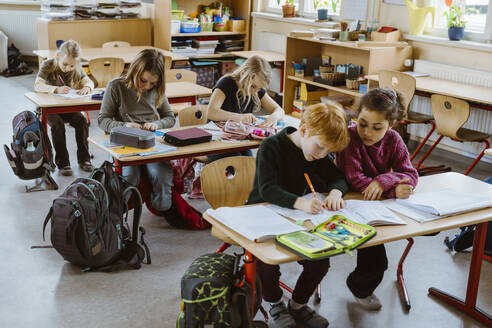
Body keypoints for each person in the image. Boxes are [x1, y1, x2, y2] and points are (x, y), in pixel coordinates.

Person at [247, 103, 350, 328]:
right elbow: (267, 189)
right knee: (267, 262)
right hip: (261, 215)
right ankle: (274, 303)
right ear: (303, 130)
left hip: (294, 220)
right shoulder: (271, 146)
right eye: (320, 147)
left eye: (328, 152)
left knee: (320, 261)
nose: (323, 155)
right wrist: (301, 203)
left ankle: (298, 306)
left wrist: (335, 191)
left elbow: (338, 178)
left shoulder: (316, 152)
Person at [336, 88, 419, 311]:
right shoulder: (350, 137)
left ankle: (359, 287)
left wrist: (384, 180)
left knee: (378, 262)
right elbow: (355, 180)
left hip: (375, 205)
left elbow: (410, 174)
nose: (367, 132)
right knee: (377, 262)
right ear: (356, 118)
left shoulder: (394, 139)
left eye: (377, 127)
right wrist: (392, 191)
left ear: (391, 125)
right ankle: (358, 287)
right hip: (345, 203)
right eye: (362, 123)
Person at [98, 48, 176, 215]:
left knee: (161, 173)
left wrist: (156, 124)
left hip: (151, 144)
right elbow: (102, 120)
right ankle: (116, 217)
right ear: (134, 71)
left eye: (152, 83)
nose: (147, 87)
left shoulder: (156, 91)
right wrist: (124, 126)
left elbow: (170, 118)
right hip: (125, 144)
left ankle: (161, 209)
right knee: (130, 176)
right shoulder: (116, 86)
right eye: (143, 80)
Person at [207, 55, 284, 160]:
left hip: (239, 140)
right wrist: (240, 117)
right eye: (253, 86)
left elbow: (279, 110)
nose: (255, 91)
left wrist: (274, 117)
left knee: (250, 163)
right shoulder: (226, 83)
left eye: (259, 88)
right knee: (239, 163)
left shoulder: (256, 89)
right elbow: (211, 112)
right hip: (217, 141)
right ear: (243, 74)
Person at [34, 39, 93, 176]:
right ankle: (63, 162)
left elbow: (89, 81)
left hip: (66, 106)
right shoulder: (48, 65)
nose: (68, 68)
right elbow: (37, 85)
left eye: (72, 66)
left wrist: (87, 87)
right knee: (58, 125)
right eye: (65, 64)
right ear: (57, 56)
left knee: (82, 121)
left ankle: (84, 159)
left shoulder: (76, 68)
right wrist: (55, 89)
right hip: (49, 108)